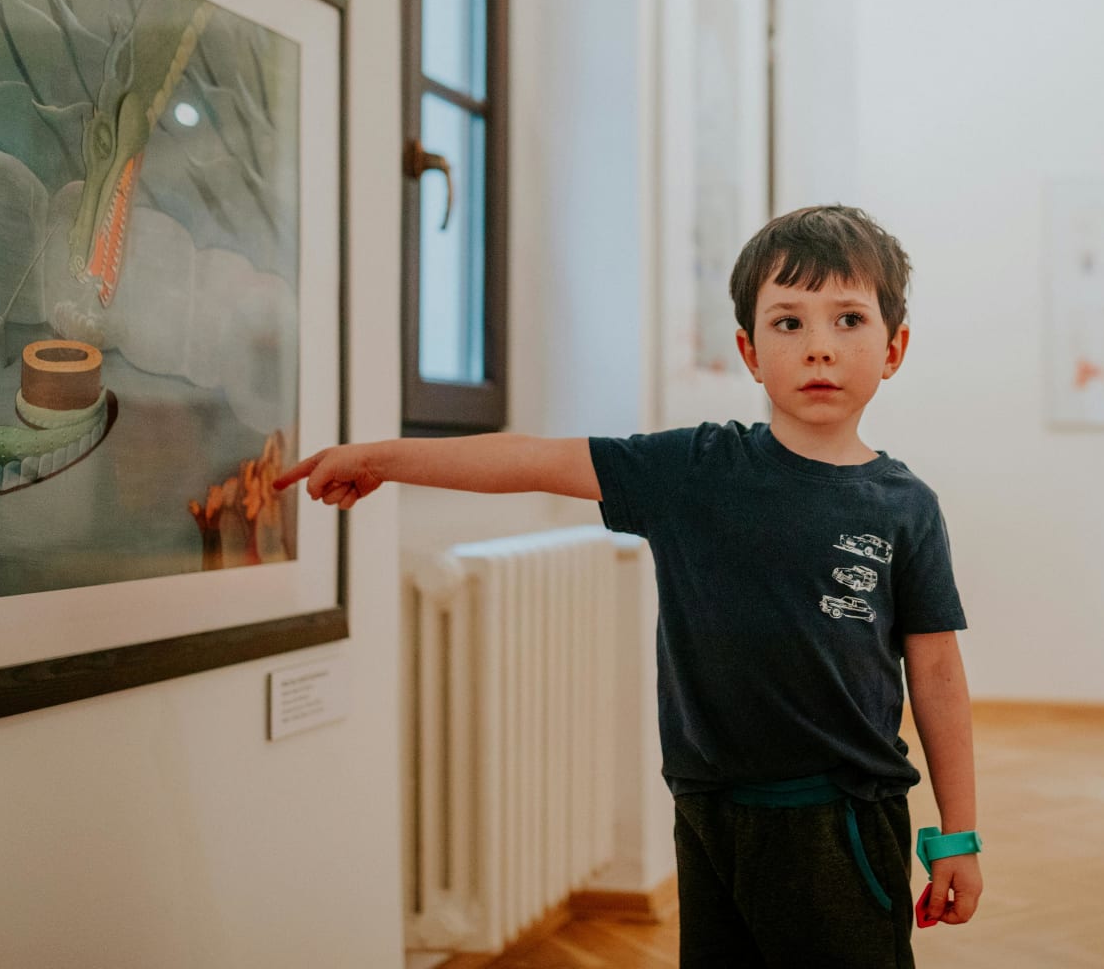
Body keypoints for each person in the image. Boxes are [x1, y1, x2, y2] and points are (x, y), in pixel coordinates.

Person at [277, 205, 982, 968]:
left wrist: (958, 833)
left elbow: (936, 671)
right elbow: (533, 460)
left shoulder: (905, 506)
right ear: (748, 350)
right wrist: (382, 459)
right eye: (788, 323)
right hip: (708, 811)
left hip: (838, 823)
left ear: (894, 348)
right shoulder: (691, 472)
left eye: (848, 319)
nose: (818, 347)